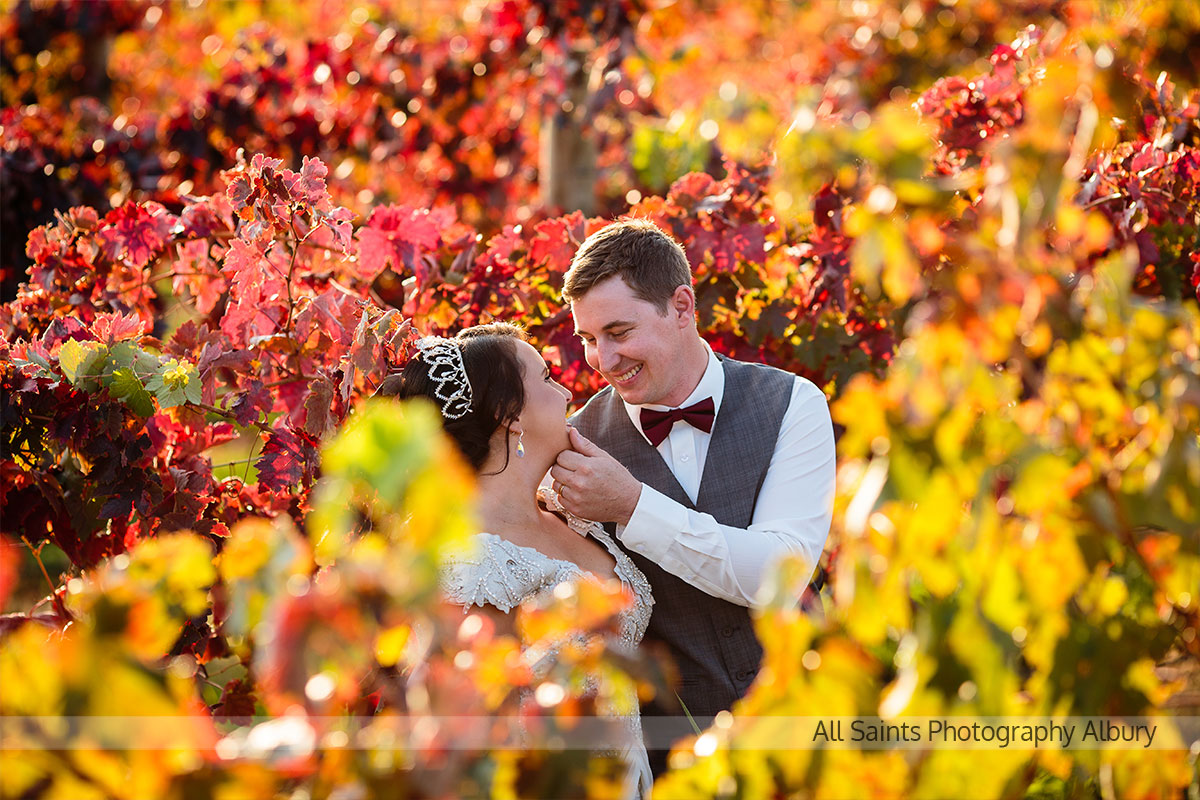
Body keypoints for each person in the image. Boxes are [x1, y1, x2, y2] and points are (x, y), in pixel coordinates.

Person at [549, 218, 836, 744]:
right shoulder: (576, 445)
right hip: (678, 756)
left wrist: (633, 506)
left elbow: (780, 576)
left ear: (682, 307)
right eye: (589, 339)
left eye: (619, 332)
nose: (603, 361)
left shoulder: (794, 403)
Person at [376, 322, 653, 798]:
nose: (567, 390)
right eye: (546, 378)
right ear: (509, 414)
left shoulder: (569, 511)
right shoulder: (471, 564)